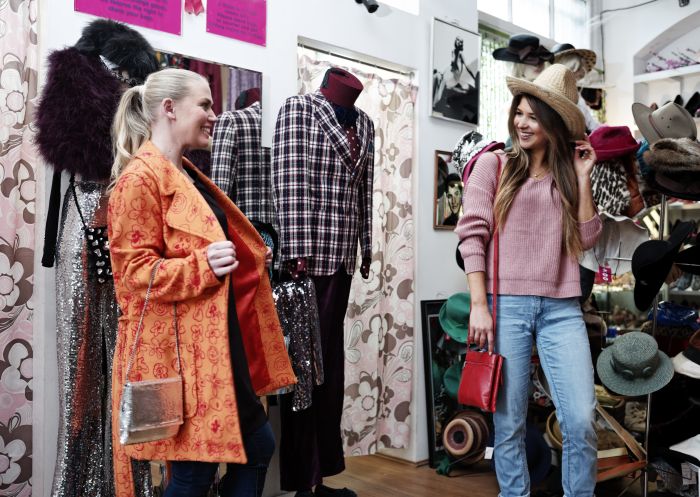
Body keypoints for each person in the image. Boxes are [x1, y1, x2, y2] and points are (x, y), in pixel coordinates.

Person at [107, 68, 295, 497]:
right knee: (193, 473)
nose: (215, 114)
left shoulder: (185, 173)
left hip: (214, 352)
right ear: (169, 109)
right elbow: (134, 275)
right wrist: (202, 266)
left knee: (257, 445)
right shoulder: (139, 179)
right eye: (206, 105)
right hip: (180, 356)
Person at [455, 64, 602, 497]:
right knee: (509, 422)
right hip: (507, 306)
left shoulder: (566, 175)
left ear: (553, 122)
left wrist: (582, 178)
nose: (522, 122)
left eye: (533, 116)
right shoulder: (493, 166)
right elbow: (471, 236)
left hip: (561, 308)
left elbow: (586, 240)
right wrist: (479, 304)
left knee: (580, 418)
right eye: (519, 112)